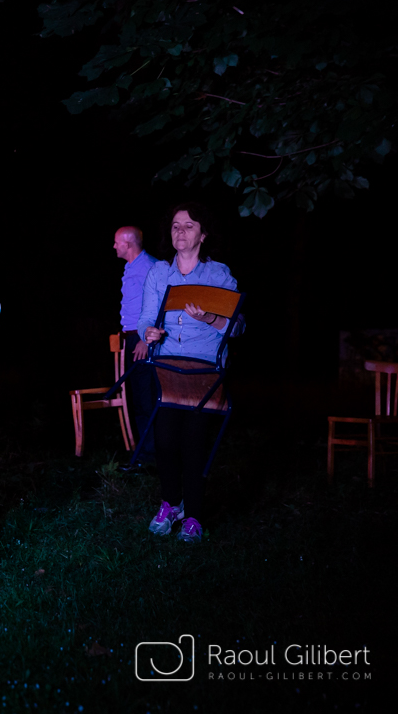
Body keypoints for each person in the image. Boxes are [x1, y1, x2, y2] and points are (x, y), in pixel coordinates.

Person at [139, 203, 242, 543]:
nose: (180, 231)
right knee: (165, 442)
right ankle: (171, 504)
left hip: (205, 368)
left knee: (193, 442)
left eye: (188, 225)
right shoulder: (159, 275)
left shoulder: (218, 275)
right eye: (174, 226)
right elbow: (146, 319)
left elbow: (237, 326)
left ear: (203, 234)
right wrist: (149, 333)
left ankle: (194, 516)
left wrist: (210, 319)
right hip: (168, 366)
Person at [113, 225, 157, 465]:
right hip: (132, 337)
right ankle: (145, 452)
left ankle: (151, 455)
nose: (114, 246)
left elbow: (162, 304)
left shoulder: (150, 266)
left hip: (144, 339)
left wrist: (144, 339)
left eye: (117, 242)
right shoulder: (131, 267)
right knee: (139, 398)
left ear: (128, 244)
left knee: (146, 396)